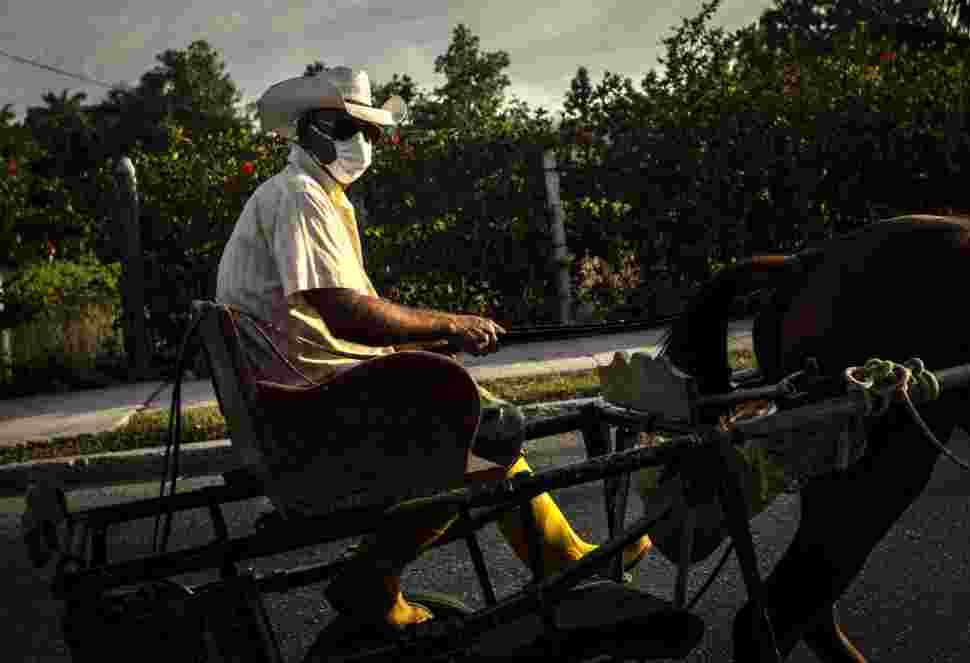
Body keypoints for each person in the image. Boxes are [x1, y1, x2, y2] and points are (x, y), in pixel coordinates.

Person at [216, 66, 650, 632]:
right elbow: (345, 312)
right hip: (309, 417)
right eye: (348, 128)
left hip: (302, 402)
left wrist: (441, 337)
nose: (363, 143)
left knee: (483, 420)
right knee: (488, 426)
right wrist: (449, 324)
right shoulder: (300, 196)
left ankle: (563, 556)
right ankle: (374, 575)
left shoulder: (308, 196)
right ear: (311, 131)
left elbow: (341, 319)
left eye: (370, 132)